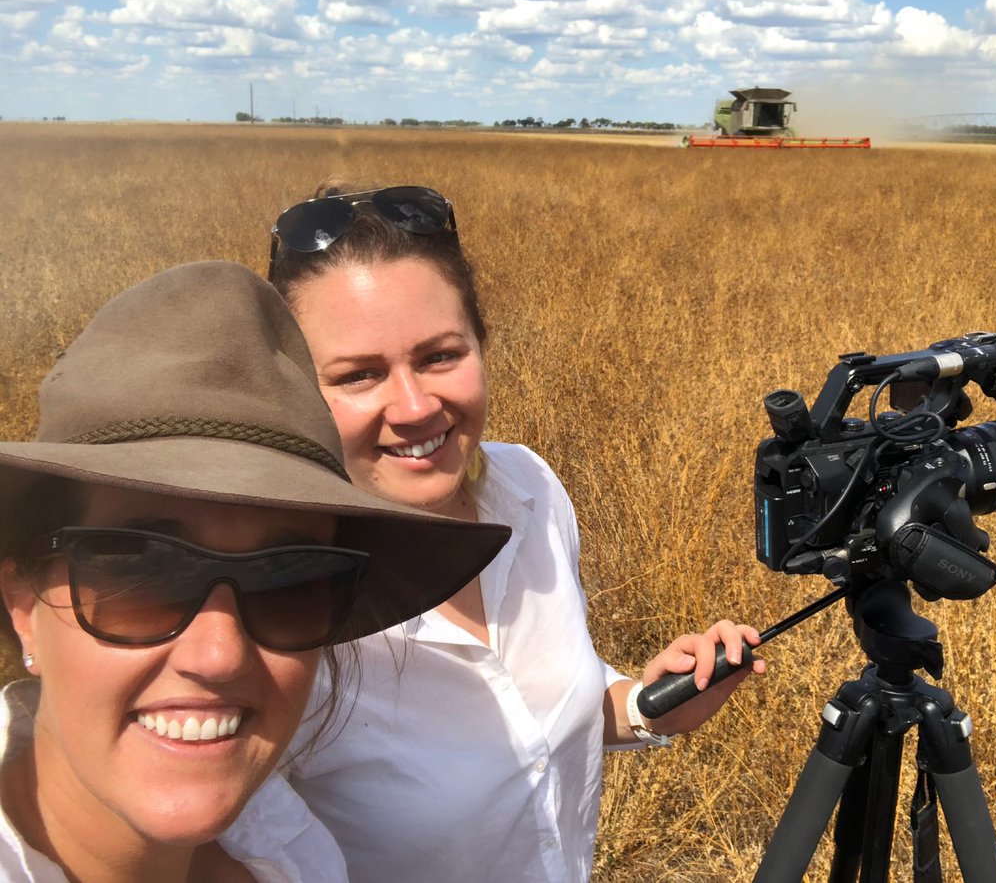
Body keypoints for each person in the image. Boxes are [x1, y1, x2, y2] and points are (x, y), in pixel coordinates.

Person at [262, 183, 767, 881]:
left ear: (481, 345)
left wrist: (651, 707)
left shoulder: (527, 489)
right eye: (358, 375)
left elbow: (536, 716)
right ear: (291, 393)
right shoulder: (276, 605)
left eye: (440, 356)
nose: (414, 406)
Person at [0, 261, 509, 882]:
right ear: (22, 605)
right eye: (143, 573)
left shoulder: (292, 852)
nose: (219, 654)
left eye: (289, 582)